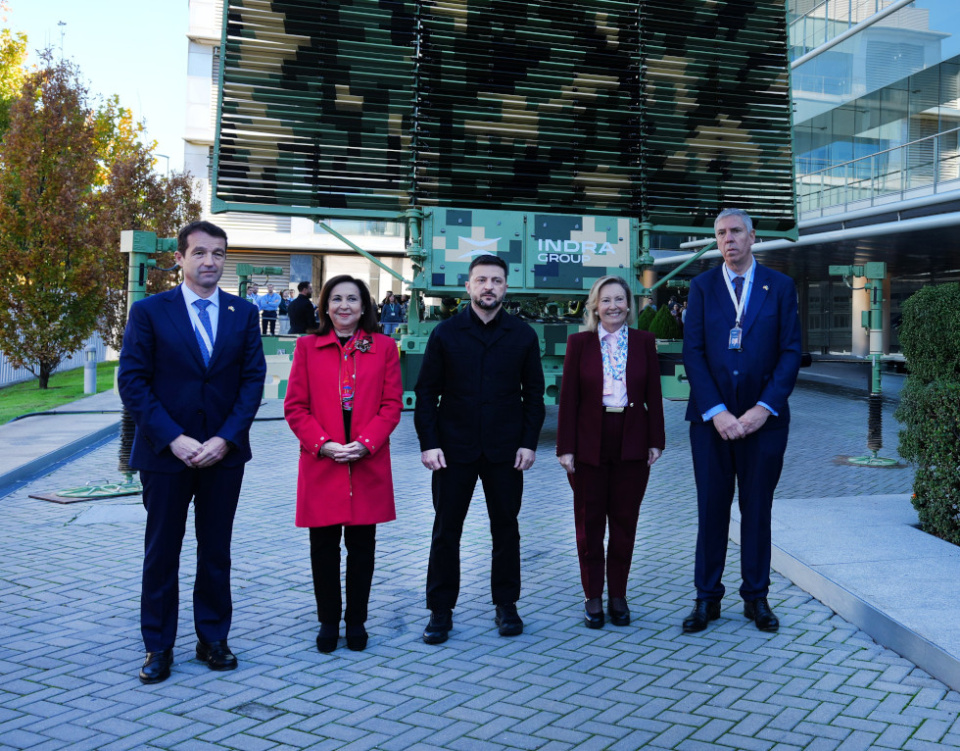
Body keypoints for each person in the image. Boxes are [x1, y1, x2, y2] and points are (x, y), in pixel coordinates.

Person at [118, 220, 266, 684]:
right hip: (166, 455)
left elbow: (252, 382)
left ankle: (213, 639)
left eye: (218, 254)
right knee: (162, 551)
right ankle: (158, 646)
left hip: (223, 455)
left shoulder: (242, 314)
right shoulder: (149, 312)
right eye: (200, 253)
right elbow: (132, 382)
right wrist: (173, 438)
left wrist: (225, 438)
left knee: (215, 550)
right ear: (179, 259)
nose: (210, 262)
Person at [681, 208, 802, 634]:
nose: (728, 239)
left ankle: (757, 599)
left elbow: (791, 352)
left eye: (735, 232)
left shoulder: (780, 287)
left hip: (763, 424)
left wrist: (761, 409)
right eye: (720, 233)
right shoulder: (701, 287)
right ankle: (706, 599)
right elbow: (692, 353)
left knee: (757, 511)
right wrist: (717, 413)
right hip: (710, 424)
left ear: (753, 236)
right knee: (711, 510)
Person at [415, 254, 545, 644]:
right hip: (453, 450)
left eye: (497, 280)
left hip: (506, 450)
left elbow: (534, 395)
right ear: (468, 286)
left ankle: (506, 604)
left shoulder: (523, 335)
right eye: (481, 280)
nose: (489, 286)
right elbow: (426, 393)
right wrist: (429, 443)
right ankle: (440, 609)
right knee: (446, 531)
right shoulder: (446, 333)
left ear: (506, 287)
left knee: (506, 530)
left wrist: (528, 441)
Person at [284, 275, 402, 653]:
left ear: (365, 306)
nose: (344, 306)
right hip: (323, 462)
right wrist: (325, 445)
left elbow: (391, 405)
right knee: (323, 548)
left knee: (362, 547)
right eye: (336, 299)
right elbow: (295, 408)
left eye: (353, 299)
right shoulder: (307, 347)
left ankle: (356, 621)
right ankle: (328, 621)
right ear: (325, 306)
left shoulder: (383, 347)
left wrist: (366, 444)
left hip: (366, 461)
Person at [557, 276, 665, 629]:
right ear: (595, 306)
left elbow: (654, 395)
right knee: (589, 523)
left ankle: (618, 595)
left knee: (624, 522)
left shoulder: (645, 342)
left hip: (632, 439)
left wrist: (656, 440)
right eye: (606, 300)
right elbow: (568, 399)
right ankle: (593, 596)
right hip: (590, 439)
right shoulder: (580, 343)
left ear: (629, 305)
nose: (614, 306)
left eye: (620, 299)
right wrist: (565, 448)